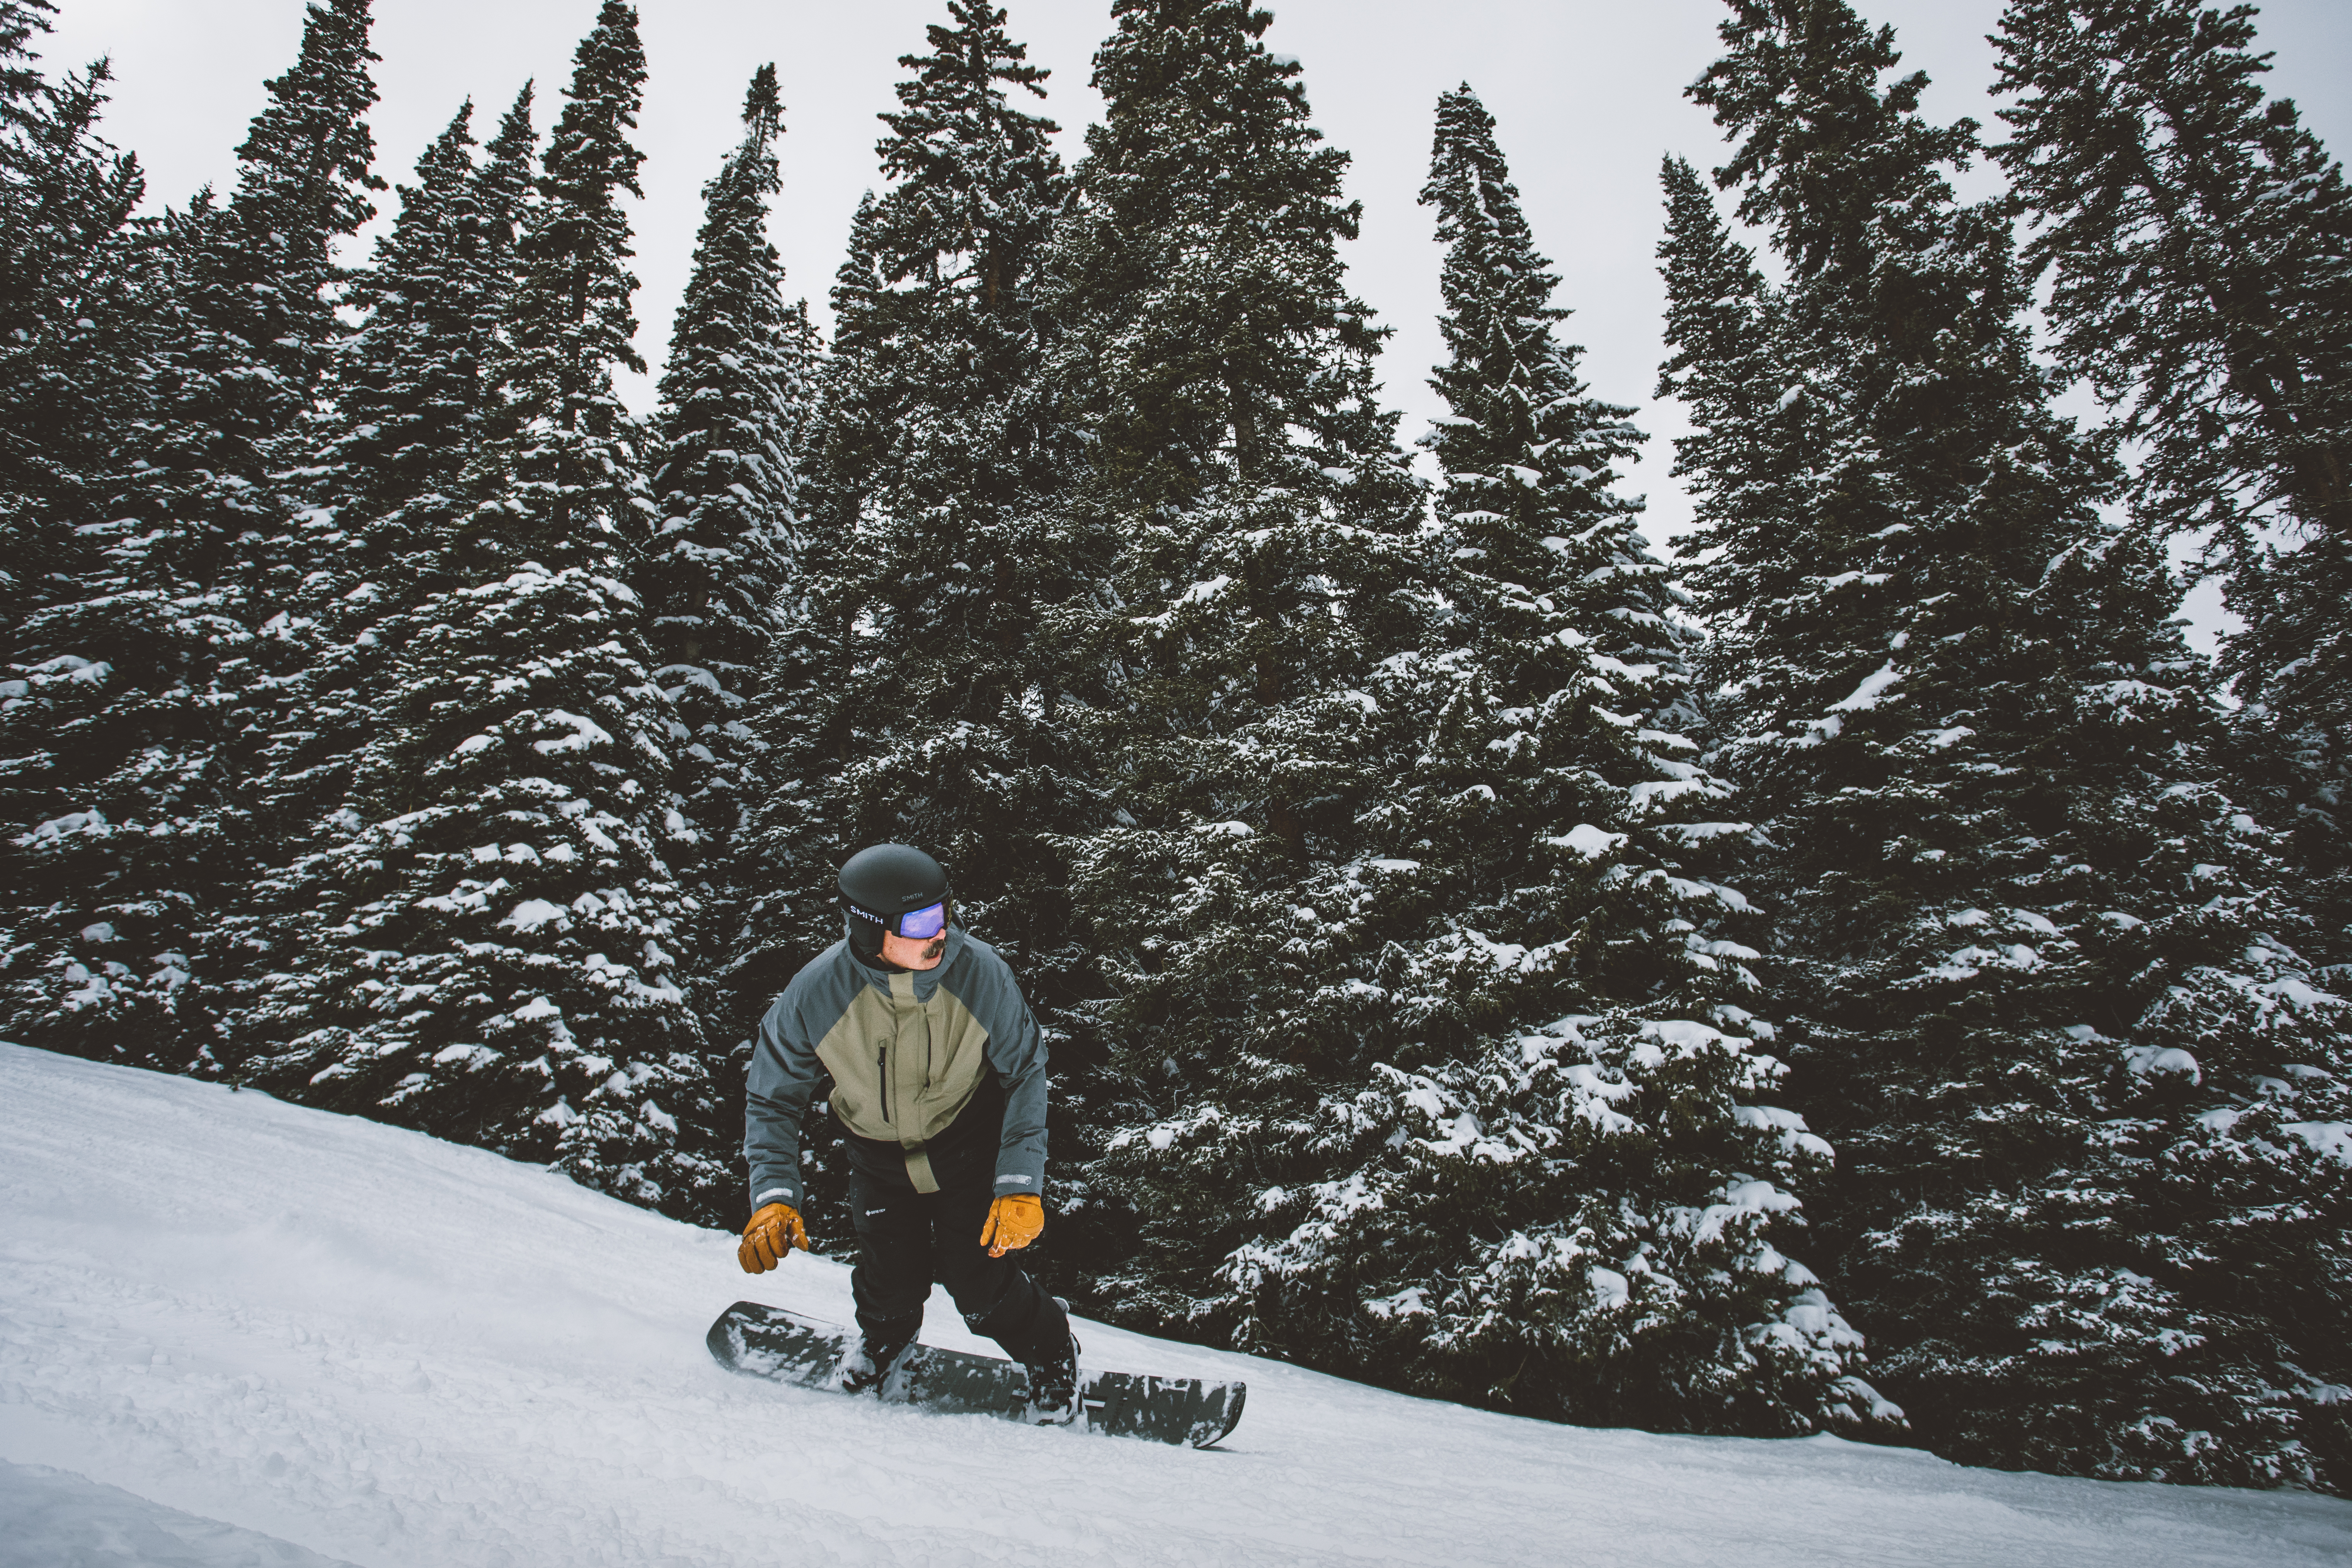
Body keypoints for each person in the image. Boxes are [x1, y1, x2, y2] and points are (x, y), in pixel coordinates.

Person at [736, 842, 1078, 1421]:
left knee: (980, 1286)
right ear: (870, 931)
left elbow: (1026, 1073)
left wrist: (1018, 1181)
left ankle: (1052, 1354)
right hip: (878, 1158)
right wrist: (772, 1196)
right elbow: (772, 1097)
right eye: (919, 923)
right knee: (888, 1281)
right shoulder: (817, 992)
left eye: (942, 913)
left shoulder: (981, 973)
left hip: (965, 1148)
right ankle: (884, 1344)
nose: (938, 931)